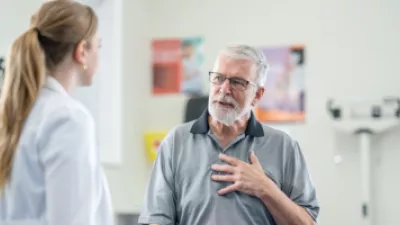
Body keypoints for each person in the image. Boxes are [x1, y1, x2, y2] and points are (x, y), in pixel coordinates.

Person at [138, 44, 319, 225]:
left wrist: (266, 189)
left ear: (257, 94)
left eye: (237, 82)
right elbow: (156, 219)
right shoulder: (176, 141)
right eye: (218, 78)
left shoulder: (284, 147)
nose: (224, 89)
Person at [0, 1, 114, 225]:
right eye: (98, 45)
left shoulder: (15, 114)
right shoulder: (69, 119)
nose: (99, 53)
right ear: (82, 51)